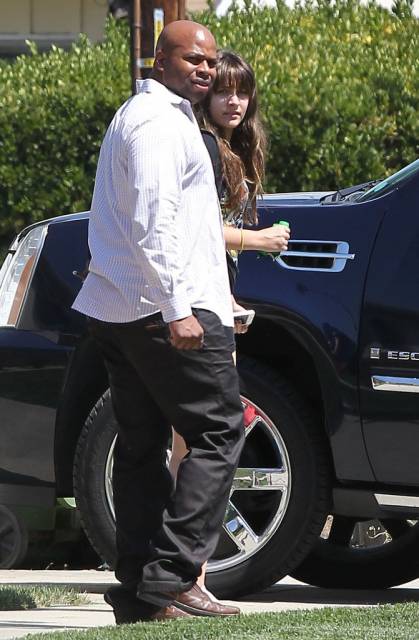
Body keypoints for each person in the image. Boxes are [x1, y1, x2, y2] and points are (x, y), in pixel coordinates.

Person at [72, 20, 244, 623]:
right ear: (160, 61)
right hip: (160, 310)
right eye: (192, 59)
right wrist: (180, 309)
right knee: (220, 431)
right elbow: (153, 223)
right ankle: (172, 576)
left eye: (210, 61)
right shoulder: (156, 124)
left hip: (127, 309)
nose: (204, 69)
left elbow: (179, 225)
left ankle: (139, 594)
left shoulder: (160, 118)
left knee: (142, 447)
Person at [169, 49, 290, 595]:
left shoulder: (235, 150)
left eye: (241, 91)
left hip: (213, 301)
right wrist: (258, 240)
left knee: (201, 440)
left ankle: (183, 573)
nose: (233, 101)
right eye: (222, 90)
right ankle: (184, 575)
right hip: (194, 306)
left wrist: (230, 297)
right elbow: (197, 229)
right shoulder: (202, 146)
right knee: (200, 441)